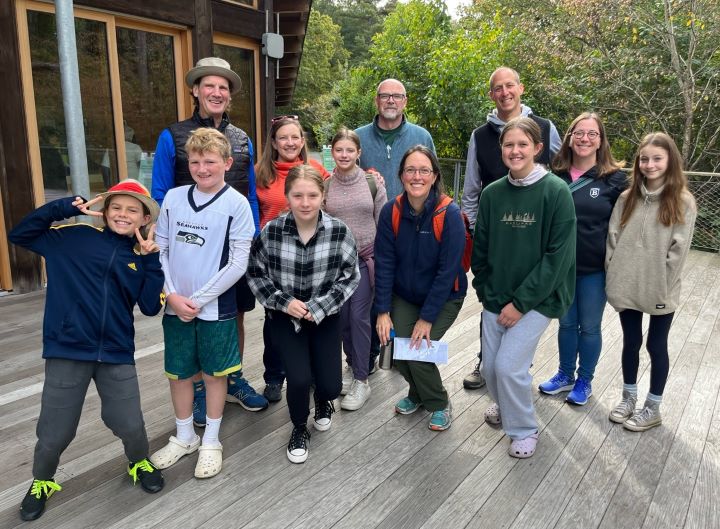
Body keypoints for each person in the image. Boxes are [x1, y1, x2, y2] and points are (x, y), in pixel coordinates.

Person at [9, 180, 165, 521]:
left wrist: (152, 262)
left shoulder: (137, 259)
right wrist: (65, 207)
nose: (123, 215)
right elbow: (20, 234)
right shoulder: (72, 239)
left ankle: (139, 461)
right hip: (68, 349)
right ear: (104, 211)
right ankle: (42, 480)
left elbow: (152, 306)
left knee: (129, 423)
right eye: (117, 208)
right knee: (56, 429)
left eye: (132, 210)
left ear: (142, 219)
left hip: (116, 352)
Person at [150, 57, 267, 423]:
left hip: (233, 242)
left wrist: (253, 237)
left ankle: (232, 377)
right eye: (209, 86)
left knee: (235, 313)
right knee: (192, 315)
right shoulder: (172, 135)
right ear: (196, 91)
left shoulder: (242, 139)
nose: (216, 93)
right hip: (191, 245)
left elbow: (248, 193)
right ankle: (199, 388)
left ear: (229, 96)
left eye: (223, 88)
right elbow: (160, 193)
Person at [150, 128, 255, 479]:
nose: (202, 168)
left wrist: (196, 299)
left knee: (213, 375)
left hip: (216, 308)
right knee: (179, 374)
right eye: (195, 161)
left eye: (210, 161)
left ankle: (210, 440)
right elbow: (160, 250)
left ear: (226, 162)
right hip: (174, 304)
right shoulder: (175, 198)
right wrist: (172, 295)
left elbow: (238, 262)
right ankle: (184, 436)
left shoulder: (236, 204)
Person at [472, 117, 576, 458]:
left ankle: (523, 428)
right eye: (508, 145)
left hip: (537, 299)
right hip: (495, 295)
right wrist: (485, 289)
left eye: (522, 145)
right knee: (489, 367)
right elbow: (481, 247)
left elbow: (556, 258)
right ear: (500, 149)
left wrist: (520, 304)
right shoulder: (492, 193)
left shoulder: (556, 192)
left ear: (537, 148)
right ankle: (506, 405)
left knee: (509, 367)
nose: (515, 151)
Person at [247, 164, 360, 463]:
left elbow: (350, 276)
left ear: (323, 196)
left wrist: (320, 307)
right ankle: (299, 426)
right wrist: (284, 302)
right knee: (297, 380)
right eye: (298, 195)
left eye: (312, 195)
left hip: (325, 317)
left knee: (331, 385)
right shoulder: (271, 232)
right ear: (287, 196)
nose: (305, 202)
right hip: (287, 318)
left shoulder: (339, 231)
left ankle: (324, 401)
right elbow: (256, 274)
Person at [461, 67, 563, 391]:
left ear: (520, 88)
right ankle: (486, 363)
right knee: (491, 304)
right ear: (492, 95)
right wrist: (479, 235)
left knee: (526, 307)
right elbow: (470, 191)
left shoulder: (545, 128)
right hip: (496, 237)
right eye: (497, 88)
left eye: (510, 86)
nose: (504, 92)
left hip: (534, 237)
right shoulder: (480, 137)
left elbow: (564, 174)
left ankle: (517, 369)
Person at [606, 132, 696, 432]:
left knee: (657, 345)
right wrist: (613, 274)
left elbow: (679, 250)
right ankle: (628, 397)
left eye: (657, 158)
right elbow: (613, 239)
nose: (650, 164)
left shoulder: (682, 201)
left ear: (670, 160)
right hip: (627, 283)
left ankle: (653, 406)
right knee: (631, 342)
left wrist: (663, 285)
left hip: (660, 289)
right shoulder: (626, 198)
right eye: (644, 158)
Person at [374, 145, 467, 432]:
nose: (417, 176)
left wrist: (426, 318)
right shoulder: (391, 211)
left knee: (418, 351)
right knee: (397, 349)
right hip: (405, 295)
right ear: (401, 175)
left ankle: (438, 402)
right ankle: (417, 394)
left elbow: (447, 271)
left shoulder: (449, 213)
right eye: (410, 170)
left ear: (435, 176)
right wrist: (383, 311)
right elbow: (385, 263)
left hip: (444, 297)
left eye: (424, 170)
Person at [538, 112, 628, 405]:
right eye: (579, 133)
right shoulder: (555, 175)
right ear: (569, 137)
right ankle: (565, 375)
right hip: (562, 268)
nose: (585, 139)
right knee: (565, 324)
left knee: (589, 326)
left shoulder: (615, 179)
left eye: (592, 134)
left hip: (594, 269)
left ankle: (584, 381)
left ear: (601, 141)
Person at [254, 115, 330, 402]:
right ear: (273, 142)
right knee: (275, 320)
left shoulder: (316, 170)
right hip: (274, 259)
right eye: (283, 137)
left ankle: (308, 372)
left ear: (302, 141)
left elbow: (338, 194)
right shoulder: (260, 173)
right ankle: (274, 376)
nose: (289, 142)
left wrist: (372, 175)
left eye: (295, 137)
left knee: (309, 315)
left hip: (310, 258)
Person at [323, 127, 387, 411]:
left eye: (350, 150)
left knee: (360, 318)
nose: (344, 155)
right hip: (336, 263)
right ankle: (352, 366)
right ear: (332, 152)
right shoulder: (325, 185)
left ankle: (363, 378)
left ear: (358, 153)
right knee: (343, 320)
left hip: (365, 258)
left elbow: (382, 222)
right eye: (339, 150)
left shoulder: (373, 182)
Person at [355, 78, 436, 202]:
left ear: (405, 102)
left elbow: (434, 183)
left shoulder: (422, 137)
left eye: (397, 96)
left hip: (412, 218)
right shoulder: (357, 138)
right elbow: (344, 180)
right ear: (376, 101)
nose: (391, 101)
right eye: (385, 96)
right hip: (369, 219)